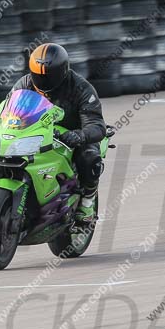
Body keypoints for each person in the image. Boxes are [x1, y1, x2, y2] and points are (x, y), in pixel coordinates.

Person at [11, 43, 106, 221]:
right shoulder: (24, 84)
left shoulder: (81, 88)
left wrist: (80, 135)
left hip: (72, 135)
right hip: (37, 132)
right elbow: (8, 112)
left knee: (89, 157)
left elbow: (96, 124)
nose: (42, 81)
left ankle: (87, 203)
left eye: (48, 76)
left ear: (62, 72)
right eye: (38, 76)